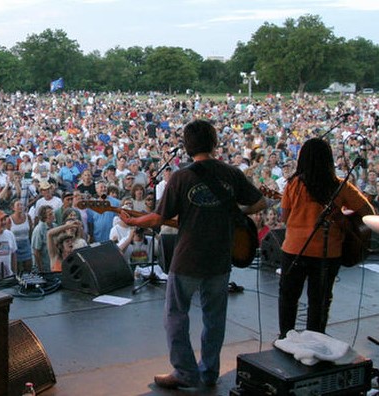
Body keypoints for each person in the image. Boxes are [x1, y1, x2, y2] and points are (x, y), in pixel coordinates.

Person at [119, 119, 266, 389]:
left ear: (187, 146)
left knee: (176, 315)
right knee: (214, 318)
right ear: (214, 143)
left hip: (187, 258)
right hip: (220, 259)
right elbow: (260, 202)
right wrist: (236, 213)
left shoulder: (181, 177)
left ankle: (185, 372)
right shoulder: (231, 173)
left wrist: (132, 222)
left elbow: (158, 219)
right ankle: (209, 372)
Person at [278, 138, 374, 338]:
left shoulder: (293, 185)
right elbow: (368, 211)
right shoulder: (340, 186)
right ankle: (316, 341)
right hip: (328, 252)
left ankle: (285, 339)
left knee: (288, 297)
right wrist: (344, 216)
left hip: (295, 249)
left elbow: (285, 218)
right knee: (319, 300)